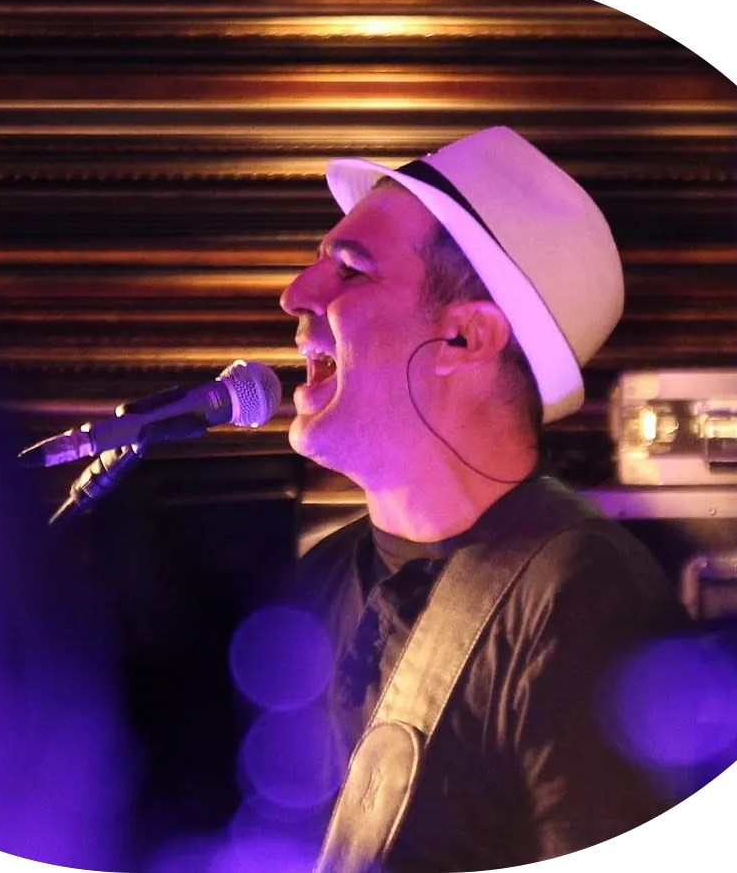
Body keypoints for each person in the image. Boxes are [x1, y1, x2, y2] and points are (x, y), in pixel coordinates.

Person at [280, 127, 694, 872]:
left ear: (466, 339)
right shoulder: (316, 582)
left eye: (350, 269)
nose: (295, 295)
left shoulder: (586, 601)